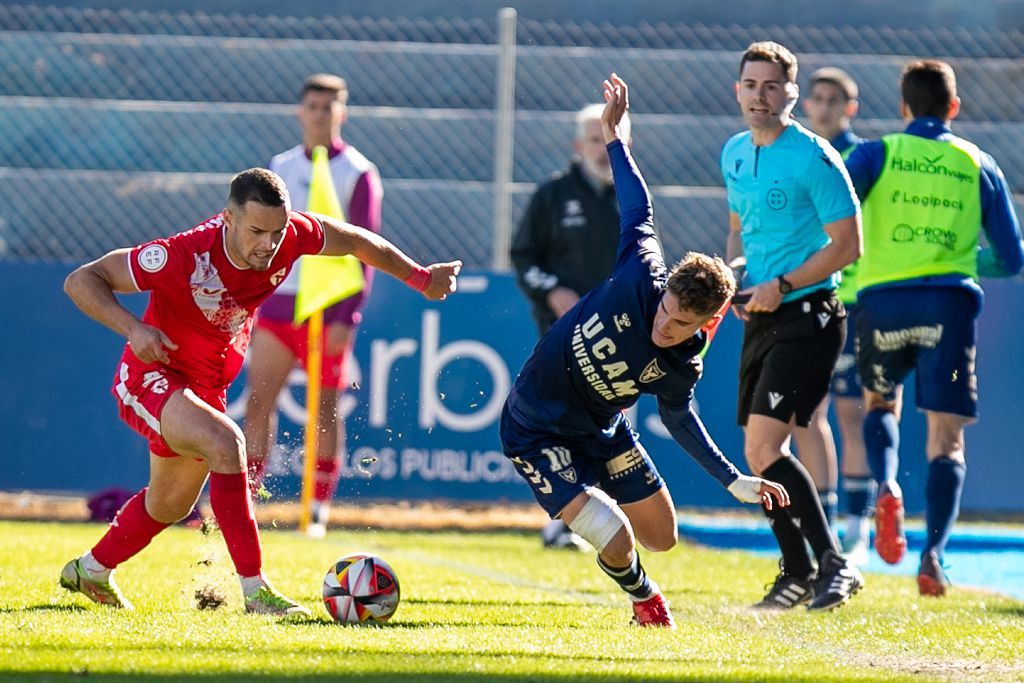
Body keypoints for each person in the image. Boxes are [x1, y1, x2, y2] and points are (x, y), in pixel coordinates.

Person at [59, 167, 460, 616]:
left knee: (169, 504)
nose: (269, 245)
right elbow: (81, 280)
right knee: (228, 443)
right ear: (227, 218)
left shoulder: (291, 236)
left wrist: (421, 279)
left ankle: (90, 570)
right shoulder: (182, 254)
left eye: (277, 230)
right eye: (256, 231)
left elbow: (356, 241)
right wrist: (133, 328)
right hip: (151, 378)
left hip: (205, 388)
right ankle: (256, 593)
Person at [501, 73, 790, 628]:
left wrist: (731, 479)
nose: (666, 326)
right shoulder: (641, 267)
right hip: (535, 425)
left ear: (707, 323)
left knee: (663, 536)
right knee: (614, 533)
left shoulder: (683, 363)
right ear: (665, 289)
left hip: (603, 430)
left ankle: (619, 549)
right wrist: (616, 140)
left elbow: (681, 420)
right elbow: (638, 202)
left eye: (683, 324)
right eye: (666, 311)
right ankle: (644, 599)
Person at [844, 59, 1023, 596]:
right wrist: (966, 259)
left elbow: (835, 211)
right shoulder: (977, 162)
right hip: (949, 304)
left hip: (882, 302)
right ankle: (934, 556)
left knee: (880, 405)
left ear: (903, 107)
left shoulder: (876, 153)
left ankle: (887, 484)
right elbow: (1011, 258)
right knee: (947, 441)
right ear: (954, 108)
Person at [722, 41, 864, 610]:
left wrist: (780, 285)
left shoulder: (814, 156)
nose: (761, 96)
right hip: (761, 315)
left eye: (772, 86)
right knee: (759, 453)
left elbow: (849, 245)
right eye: (752, 85)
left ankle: (833, 564)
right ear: (738, 91)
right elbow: (738, 231)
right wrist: (734, 275)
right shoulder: (733, 151)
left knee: (763, 445)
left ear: (792, 94)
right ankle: (801, 571)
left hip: (810, 314)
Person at [243, 73, 383, 538]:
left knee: (325, 407)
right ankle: (245, 497)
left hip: (329, 307)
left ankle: (318, 506)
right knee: (259, 402)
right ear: (300, 111)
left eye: (329, 106)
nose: (320, 114)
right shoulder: (279, 166)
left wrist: (349, 314)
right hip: (280, 305)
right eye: (313, 106)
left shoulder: (359, 172)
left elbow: (367, 248)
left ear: (342, 113)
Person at [510, 103, 632, 550]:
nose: (603, 150)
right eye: (595, 140)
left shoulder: (633, 197)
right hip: (561, 341)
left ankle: (603, 524)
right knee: (560, 429)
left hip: (621, 341)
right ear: (579, 146)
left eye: (612, 139)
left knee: (609, 433)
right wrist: (552, 291)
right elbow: (523, 258)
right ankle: (563, 519)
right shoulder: (552, 196)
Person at [796, 66, 873, 564]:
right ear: (806, 103)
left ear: (851, 107)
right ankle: (820, 524)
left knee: (853, 412)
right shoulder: (797, 153)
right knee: (809, 413)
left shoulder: (863, 158)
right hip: (809, 298)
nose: (823, 107)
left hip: (856, 298)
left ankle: (857, 526)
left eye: (833, 99)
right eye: (817, 97)